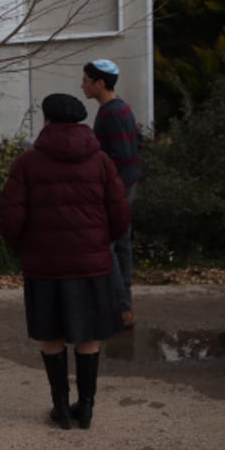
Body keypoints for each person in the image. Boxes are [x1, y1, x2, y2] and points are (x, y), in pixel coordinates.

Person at [0, 94, 129, 430]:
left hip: (44, 265)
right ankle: (85, 408)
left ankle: (60, 406)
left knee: (50, 333)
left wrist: (23, 246)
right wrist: (101, 242)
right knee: (88, 335)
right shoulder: (100, 161)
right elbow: (119, 214)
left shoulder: (28, 163)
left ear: (47, 120)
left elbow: (10, 217)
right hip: (92, 263)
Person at [81, 59, 140, 329]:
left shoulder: (110, 114)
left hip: (116, 190)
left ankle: (120, 308)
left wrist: (106, 188)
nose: (82, 85)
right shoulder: (121, 108)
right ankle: (123, 304)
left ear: (100, 83)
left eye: (86, 80)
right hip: (126, 187)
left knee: (110, 247)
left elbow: (121, 155)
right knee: (122, 246)